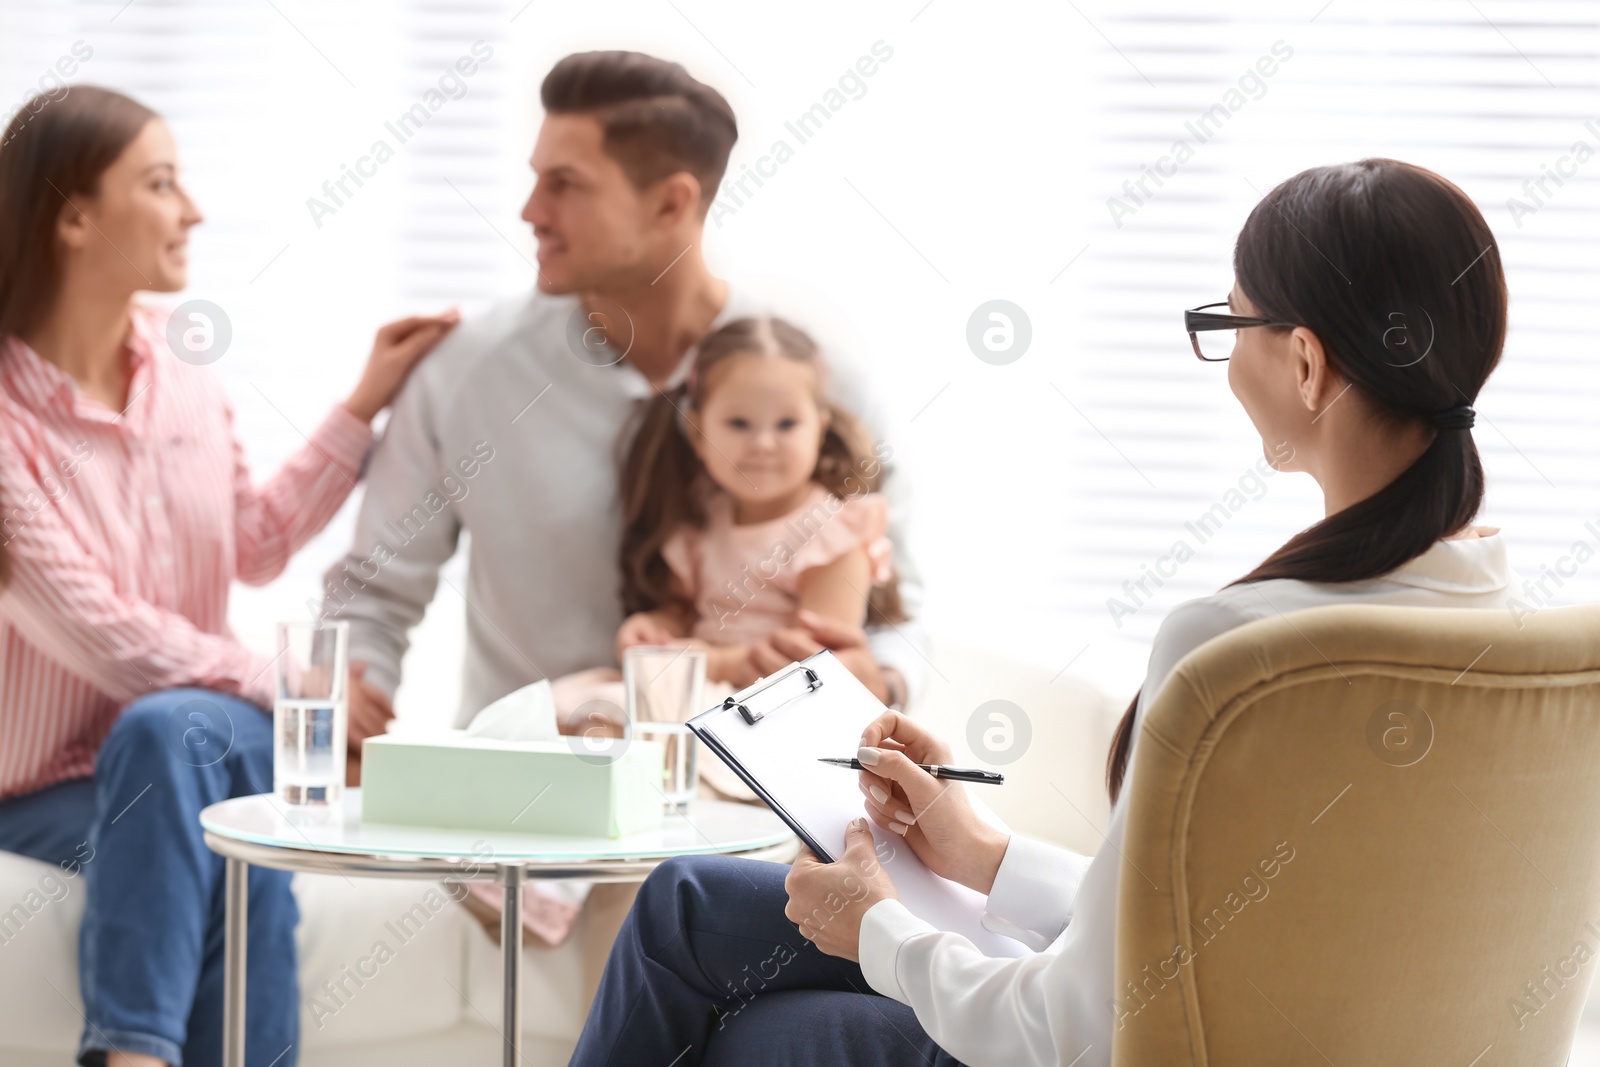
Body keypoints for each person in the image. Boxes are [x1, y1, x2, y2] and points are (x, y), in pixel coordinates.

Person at [565, 157, 1513, 1066]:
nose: (1223, 356)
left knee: (732, 1009)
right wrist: (980, 851)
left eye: (1229, 322)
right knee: (693, 908)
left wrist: (879, 931)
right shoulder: (1511, 631)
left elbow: (1075, 1032)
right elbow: (1196, 927)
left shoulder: (1238, 648)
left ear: (1304, 363)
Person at [319, 51, 929, 992]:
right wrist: (352, 702)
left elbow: (902, 605)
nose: (529, 211)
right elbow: (372, 591)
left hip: (756, 789)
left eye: (563, 185)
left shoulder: (814, 382)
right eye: (532, 181)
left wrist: (877, 668)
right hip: (548, 787)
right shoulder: (468, 376)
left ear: (671, 204)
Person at [0, 86, 457, 1067]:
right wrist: (289, 682)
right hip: (43, 784)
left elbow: (251, 539)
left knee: (178, 737)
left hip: (197, 738)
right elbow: (100, 632)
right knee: (209, 801)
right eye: (161, 183)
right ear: (73, 216)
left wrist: (363, 404)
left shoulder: (181, 364)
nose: (193, 209)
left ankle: (133, 1054)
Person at [466, 314, 909, 942]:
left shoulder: (835, 530)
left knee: (629, 730)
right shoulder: (700, 520)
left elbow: (814, 666)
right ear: (698, 433)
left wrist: (700, 656)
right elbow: (679, 613)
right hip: (696, 682)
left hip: (765, 710)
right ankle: (540, 879)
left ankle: (553, 888)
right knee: (582, 713)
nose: (762, 443)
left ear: (821, 427)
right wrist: (655, 627)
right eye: (738, 424)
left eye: (787, 424)